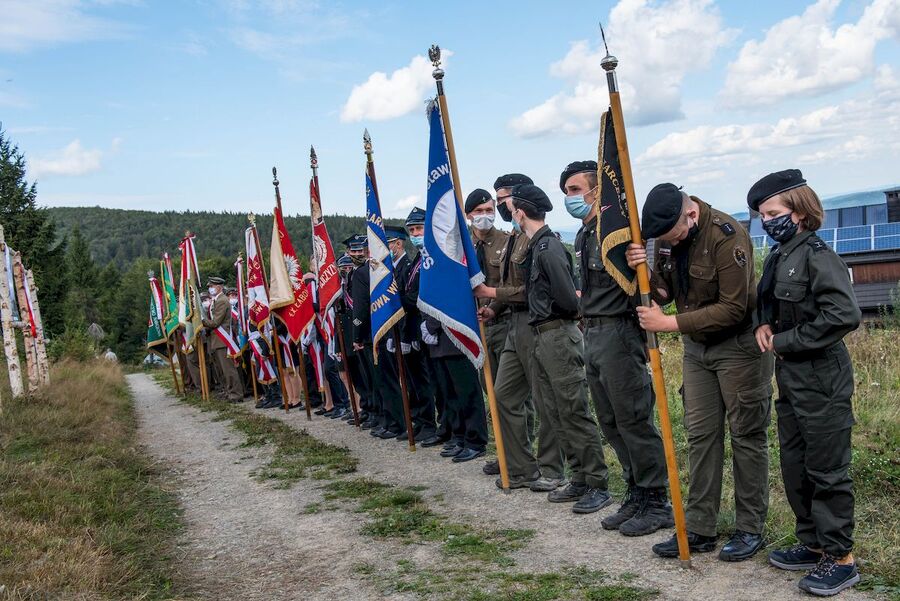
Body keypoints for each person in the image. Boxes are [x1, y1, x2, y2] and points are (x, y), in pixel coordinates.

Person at [625, 183, 773, 561]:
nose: (668, 243)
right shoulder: (666, 237)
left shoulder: (727, 235)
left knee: (746, 436)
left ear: (690, 215)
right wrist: (641, 269)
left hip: (738, 348)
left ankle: (748, 529)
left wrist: (668, 325)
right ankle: (700, 528)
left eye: (671, 236)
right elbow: (665, 294)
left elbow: (734, 308)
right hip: (698, 350)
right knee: (701, 436)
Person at [748, 169, 861, 596]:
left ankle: (841, 558)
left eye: (773, 212)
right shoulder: (779, 255)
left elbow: (843, 315)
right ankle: (814, 545)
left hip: (822, 377)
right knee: (795, 466)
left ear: (798, 211)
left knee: (827, 470)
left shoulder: (817, 255)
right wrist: (763, 326)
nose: (767, 221)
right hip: (791, 377)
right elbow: (768, 301)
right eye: (762, 215)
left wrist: (785, 340)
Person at [562, 160, 672, 535]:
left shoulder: (618, 232)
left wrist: (640, 265)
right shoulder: (583, 235)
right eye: (567, 191)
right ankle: (636, 490)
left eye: (576, 190)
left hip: (619, 335)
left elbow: (655, 291)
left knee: (633, 419)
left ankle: (656, 499)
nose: (570, 197)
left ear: (597, 190)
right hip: (592, 333)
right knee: (610, 421)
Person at [505, 182, 611, 513]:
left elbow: (567, 297)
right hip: (541, 335)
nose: (513, 217)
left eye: (512, 212)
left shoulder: (548, 248)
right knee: (554, 409)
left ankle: (596, 481)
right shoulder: (536, 247)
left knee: (573, 409)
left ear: (520, 212)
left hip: (557, 334)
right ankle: (578, 476)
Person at [474, 174, 564, 492]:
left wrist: (492, 295)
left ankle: (552, 468)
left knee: (544, 399)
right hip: (512, 323)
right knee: (504, 396)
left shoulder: (534, 237)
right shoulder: (515, 235)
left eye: (504, 199)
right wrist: (494, 308)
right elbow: (508, 285)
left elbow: (531, 290)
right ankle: (521, 466)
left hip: (534, 323)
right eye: (497, 200)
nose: (500, 206)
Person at [421, 314, 488, 463]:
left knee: (467, 394)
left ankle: (475, 441)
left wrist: (430, 326)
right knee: (450, 395)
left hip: (456, 338)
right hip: (439, 341)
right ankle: (460, 436)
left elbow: (441, 300)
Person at [201, 276, 244, 403]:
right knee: (221, 370)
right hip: (216, 340)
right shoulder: (216, 300)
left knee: (228, 370)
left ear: (219, 287)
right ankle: (228, 391)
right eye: (209, 287)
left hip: (222, 340)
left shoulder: (222, 300)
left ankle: (236, 394)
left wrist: (201, 321)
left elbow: (215, 322)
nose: (210, 289)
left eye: (212, 286)